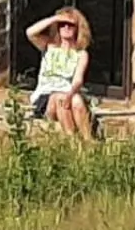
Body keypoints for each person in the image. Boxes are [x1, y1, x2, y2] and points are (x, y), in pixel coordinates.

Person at [25, 7, 94, 140]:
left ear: (78, 28)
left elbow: (78, 79)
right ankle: (72, 141)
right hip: (46, 97)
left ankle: (88, 142)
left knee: (77, 101)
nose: (66, 27)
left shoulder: (81, 54)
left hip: (69, 93)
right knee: (59, 98)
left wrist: (71, 94)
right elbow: (30, 32)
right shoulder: (49, 46)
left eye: (71, 25)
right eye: (62, 25)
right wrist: (56, 18)